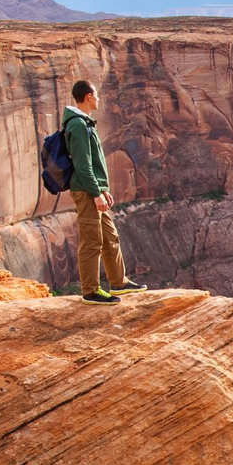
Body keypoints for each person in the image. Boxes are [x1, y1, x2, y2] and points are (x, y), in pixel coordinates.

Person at [62, 80, 147, 304]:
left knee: (110, 237)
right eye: (96, 95)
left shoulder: (84, 123)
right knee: (92, 242)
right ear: (89, 96)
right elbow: (83, 165)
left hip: (94, 189)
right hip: (86, 191)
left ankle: (118, 282)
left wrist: (103, 189)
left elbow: (91, 163)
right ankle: (90, 290)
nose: (99, 99)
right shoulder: (78, 125)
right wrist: (96, 192)